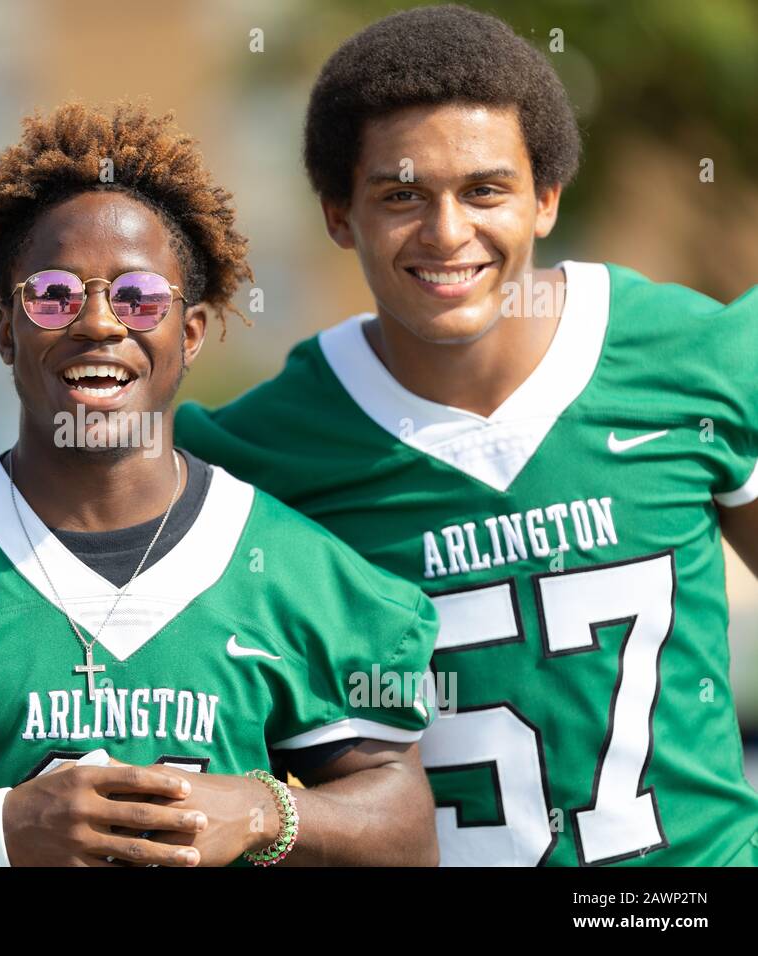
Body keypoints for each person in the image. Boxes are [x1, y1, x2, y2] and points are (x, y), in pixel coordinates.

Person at [0, 101, 440, 867]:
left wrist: (266, 810)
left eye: (140, 298)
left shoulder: (296, 570)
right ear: (7, 330)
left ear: (192, 332)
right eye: (53, 296)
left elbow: (405, 831)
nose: (100, 323)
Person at [173, 5, 758, 865]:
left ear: (547, 198)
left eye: (485, 189)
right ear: (340, 215)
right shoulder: (263, 452)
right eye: (402, 196)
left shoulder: (685, 355)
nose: (448, 233)